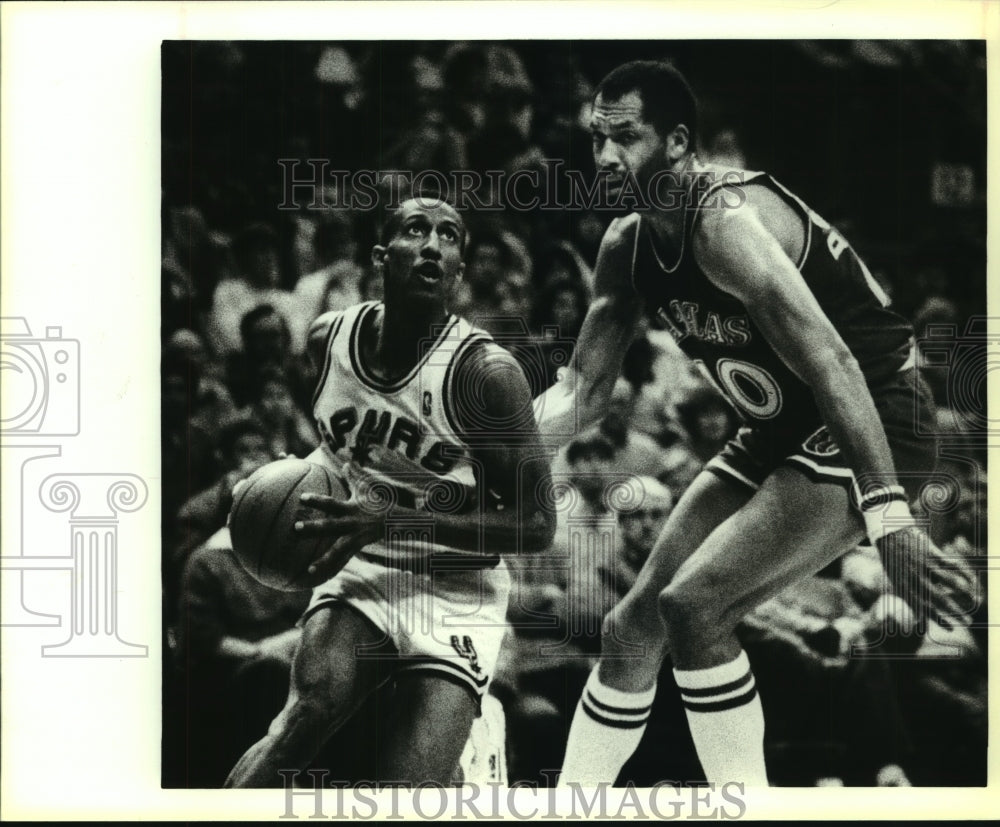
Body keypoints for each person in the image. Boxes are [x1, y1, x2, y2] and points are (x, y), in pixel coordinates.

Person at [532, 60, 977, 787]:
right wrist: (484, 450)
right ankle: (575, 802)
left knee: (695, 606)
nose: (605, 156)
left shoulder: (725, 224)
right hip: (784, 425)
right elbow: (581, 391)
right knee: (630, 627)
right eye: (596, 138)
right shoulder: (628, 244)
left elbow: (834, 360)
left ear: (677, 142)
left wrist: (889, 514)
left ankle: (748, 804)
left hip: (874, 410)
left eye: (625, 136)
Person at [226, 196, 555, 787]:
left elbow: (536, 525)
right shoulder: (328, 340)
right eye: (415, 230)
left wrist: (392, 521)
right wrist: (285, 480)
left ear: (458, 269)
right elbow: (336, 445)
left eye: (449, 236)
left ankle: (474, 747)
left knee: (408, 790)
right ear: (381, 255)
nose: (433, 244)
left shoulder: (486, 374)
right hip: (364, 562)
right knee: (300, 724)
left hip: (459, 585)